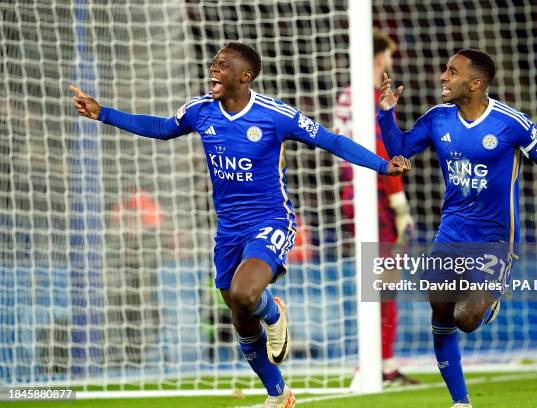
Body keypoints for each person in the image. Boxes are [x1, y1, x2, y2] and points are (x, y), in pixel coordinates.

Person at [70, 42, 410, 408]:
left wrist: (380, 165)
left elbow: (330, 140)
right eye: (214, 63)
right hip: (228, 229)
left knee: (247, 294)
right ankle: (278, 394)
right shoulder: (200, 111)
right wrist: (103, 113)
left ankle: (274, 312)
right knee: (239, 316)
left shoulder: (274, 115)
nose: (213, 69)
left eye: (222, 65)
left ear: (244, 76)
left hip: (270, 220)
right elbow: (163, 128)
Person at [377, 48, 537, 407]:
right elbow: (399, 147)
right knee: (441, 310)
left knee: (466, 319)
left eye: (452, 72)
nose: (443, 77)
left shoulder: (511, 123)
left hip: (496, 237)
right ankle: (461, 402)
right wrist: (386, 113)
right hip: (451, 232)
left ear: (475, 83)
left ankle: (490, 299)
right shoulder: (438, 119)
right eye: (445, 70)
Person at [334, 30, 419, 386]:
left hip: (351, 195)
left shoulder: (345, 96)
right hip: (377, 196)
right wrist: (399, 203)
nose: (391, 62)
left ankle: (381, 363)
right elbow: (384, 152)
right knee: (384, 281)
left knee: (379, 280)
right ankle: (374, 365)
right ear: (380, 57)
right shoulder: (370, 98)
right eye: (389, 55)